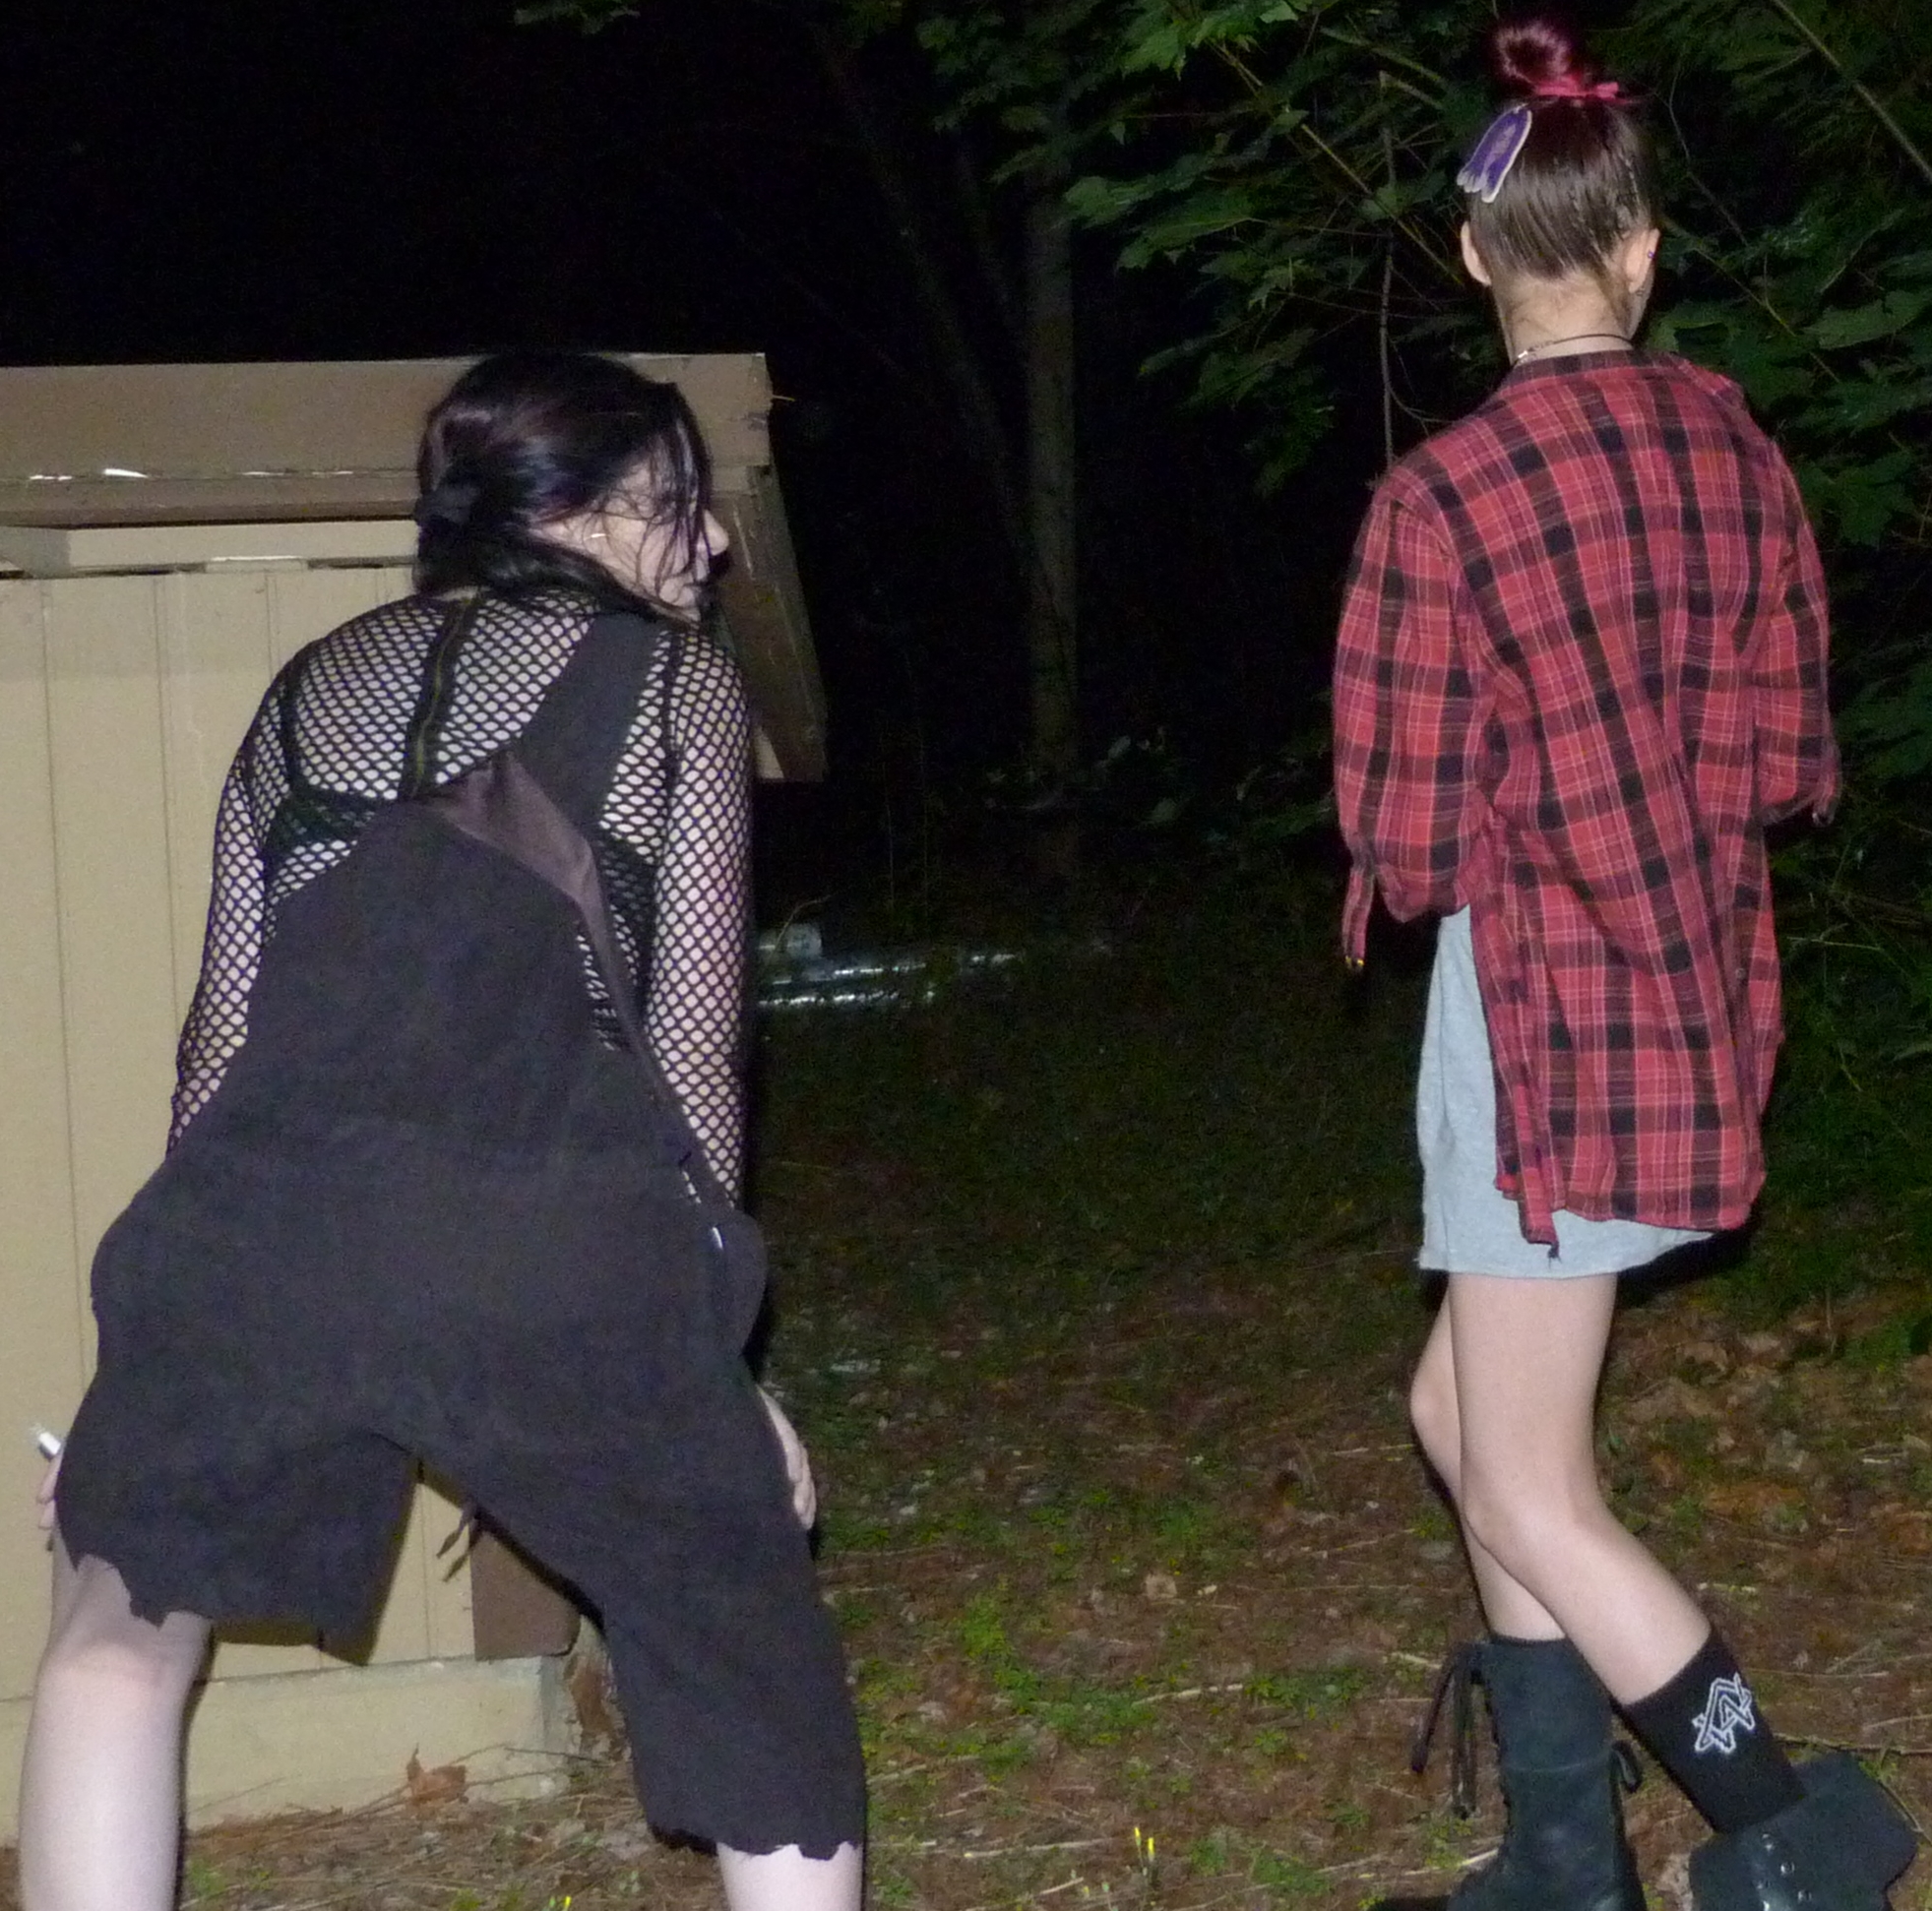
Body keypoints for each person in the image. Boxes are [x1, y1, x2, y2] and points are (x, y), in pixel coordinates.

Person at [19, 350, 866, 1911]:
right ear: (582, 508)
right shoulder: (672, 680)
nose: (709, 543)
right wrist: (715, 1364)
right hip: (535, 1232)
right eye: (677, 504)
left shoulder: (308, 687)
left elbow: (219, 1048)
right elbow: (689, 1060)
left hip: (252, 1230)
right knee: (748, 1644)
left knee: (111, 1641)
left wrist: (149, 1366)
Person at [1334, 21, 1916, 1911]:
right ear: (1644, 250)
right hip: (1691, 982)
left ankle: (1799, 1835)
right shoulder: (1738, 451)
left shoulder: (1444, 499)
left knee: (1528, 1480)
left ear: (1476, 255)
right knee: (1461, 1418)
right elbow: (1787, 759)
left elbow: (1411, 843)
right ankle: (1563, 1859)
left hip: (1538, 1019)